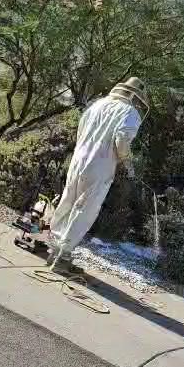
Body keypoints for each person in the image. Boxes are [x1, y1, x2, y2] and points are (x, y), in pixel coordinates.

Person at [46, 77, 149, 273]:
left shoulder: (97, 104)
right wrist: (127, 162)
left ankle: (54, 250)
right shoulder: (130, 112)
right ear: (135, 97)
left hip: (79, 158)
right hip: (100, 164)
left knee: (68, 200)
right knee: (85, 209)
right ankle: (62, 258)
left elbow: (80, 131)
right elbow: (122, 141)